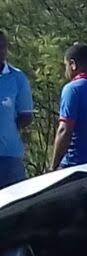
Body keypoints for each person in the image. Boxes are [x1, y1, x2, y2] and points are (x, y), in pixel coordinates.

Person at [0, 30, 34, 189]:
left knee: (13, 209)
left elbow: (26, 116)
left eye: (2, 46)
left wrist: (7, 129)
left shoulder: (17, 77)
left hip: (9, 157)